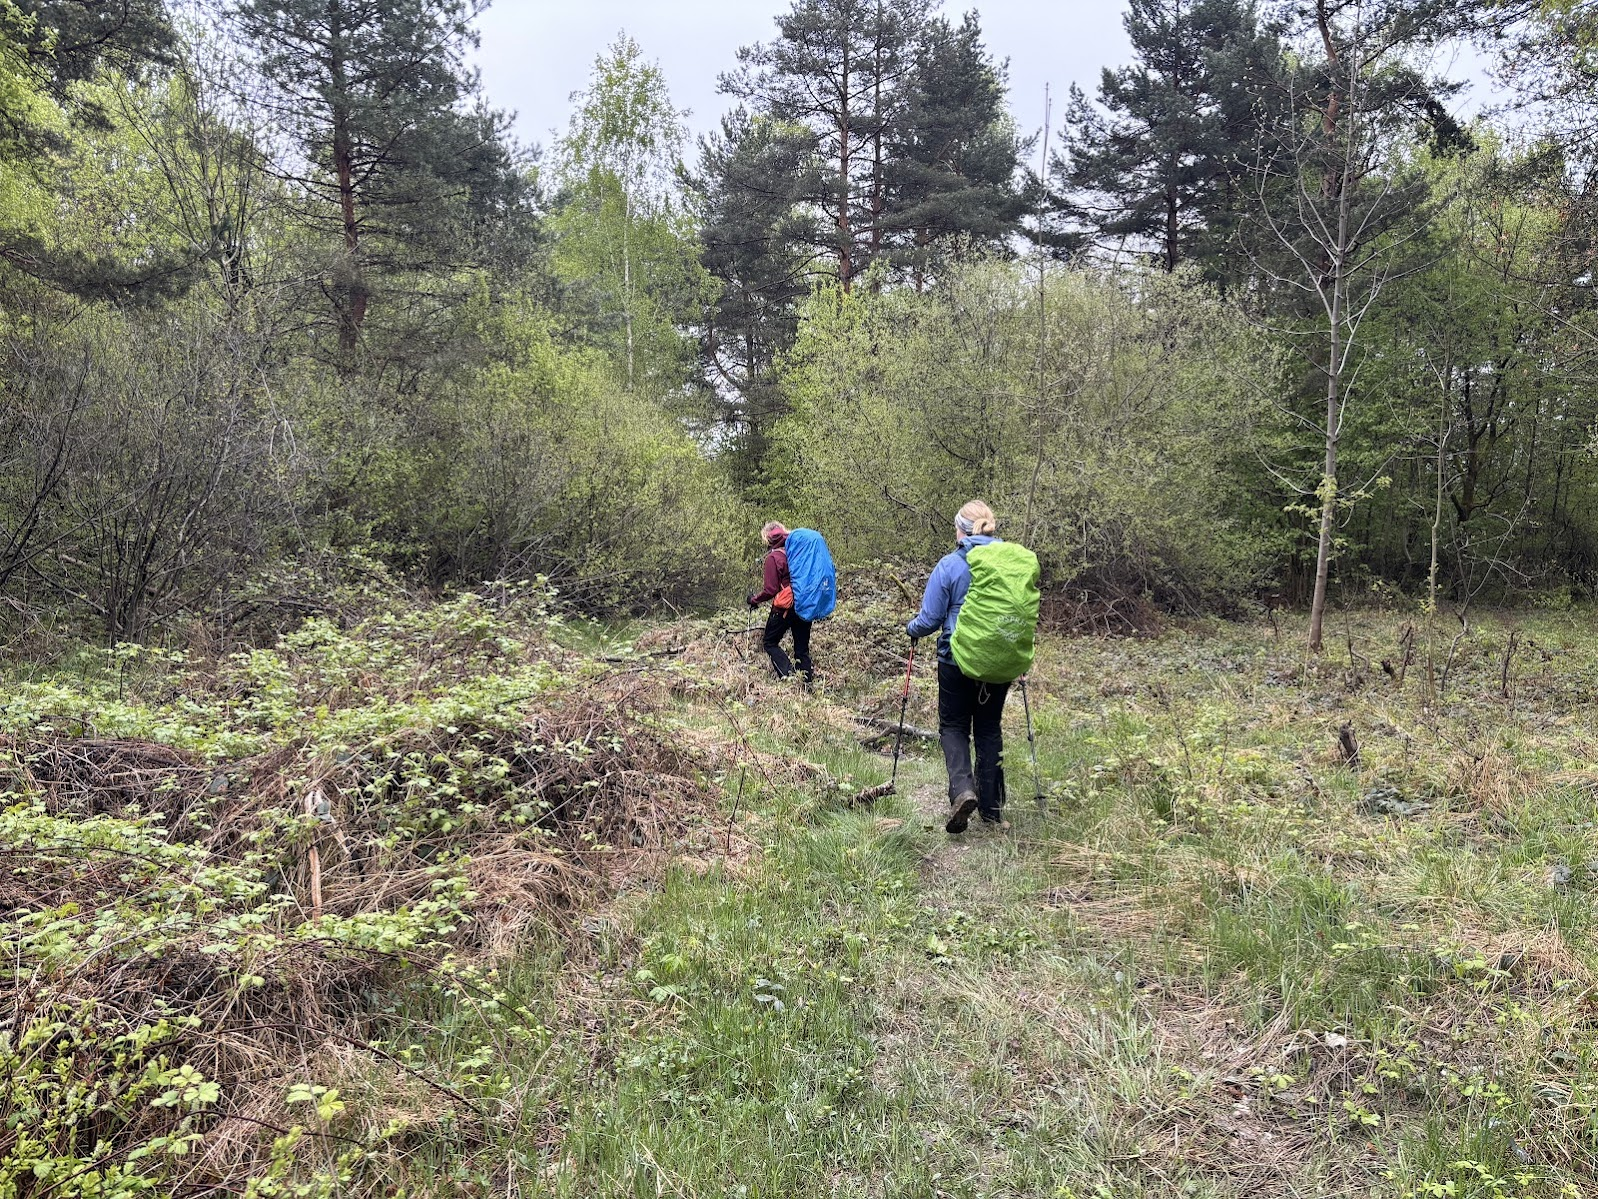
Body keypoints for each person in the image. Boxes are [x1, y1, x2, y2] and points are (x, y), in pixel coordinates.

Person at [906, 499, 1012, 834]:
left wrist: (911, 629)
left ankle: (962, 791)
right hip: (998, 660)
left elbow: (931, 618)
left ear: (961, 530)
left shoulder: (950, 565)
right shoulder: (1009, 564)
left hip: (955, 659)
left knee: (953, 726)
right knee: (988, 728)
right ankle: (993, 810)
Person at [747, 521, 813, 684]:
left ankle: (789, 678)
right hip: (804, 603)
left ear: (768, 539)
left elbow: (770, 590)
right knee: (802, 649)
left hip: (785, 607)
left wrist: (754, 600)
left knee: (769, 642)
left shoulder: (773, 558)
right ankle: (806, 686)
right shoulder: (797, 552)